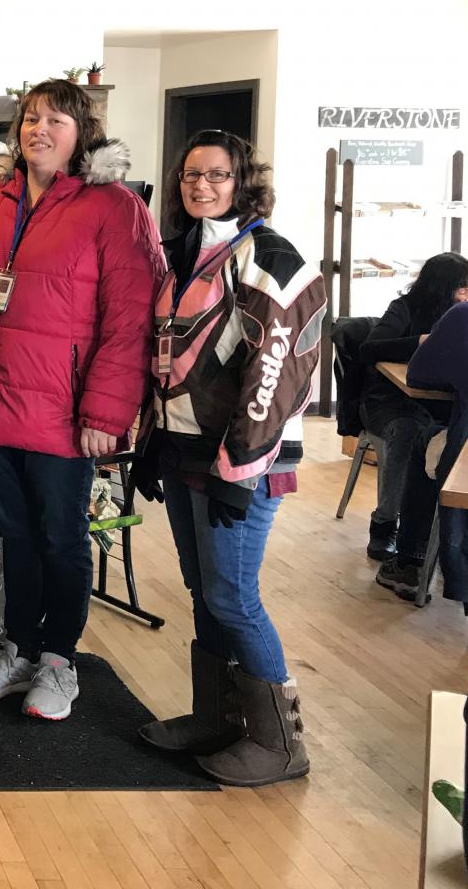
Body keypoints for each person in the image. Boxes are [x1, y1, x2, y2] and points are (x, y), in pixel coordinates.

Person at [0, 79, 163, 722]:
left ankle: (60, 661)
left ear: (81, 136)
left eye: (57, 121)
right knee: (14, 535)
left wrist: (106, 413)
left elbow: (130, 321)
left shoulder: (113, 207)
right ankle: (19, 648)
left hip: (66, 413)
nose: (40, 129)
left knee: (61, 538)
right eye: (32, 118)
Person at [132, 131, 325, 786]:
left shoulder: (269, 257)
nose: (201, 186)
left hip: (242, 465)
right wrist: (153, 444)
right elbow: (170, 357)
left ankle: (281, 744)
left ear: (243, 181)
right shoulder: (187, 252)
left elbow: (278, 373)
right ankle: (217, 718)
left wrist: (240, 469)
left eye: (216, 176)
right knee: (204, 592)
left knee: (234, 596)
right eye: (191, 176)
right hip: (187, 454)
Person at [360, 253, 468, 583]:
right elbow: (370, 350)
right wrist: (420, 342)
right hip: (390, 401)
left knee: (435, 439)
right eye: (463, 289)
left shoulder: (466, 319)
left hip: (444, 408)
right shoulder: (407, 308)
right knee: (412, 433)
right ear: (441, 288)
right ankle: (385, 523)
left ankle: (421, 548)